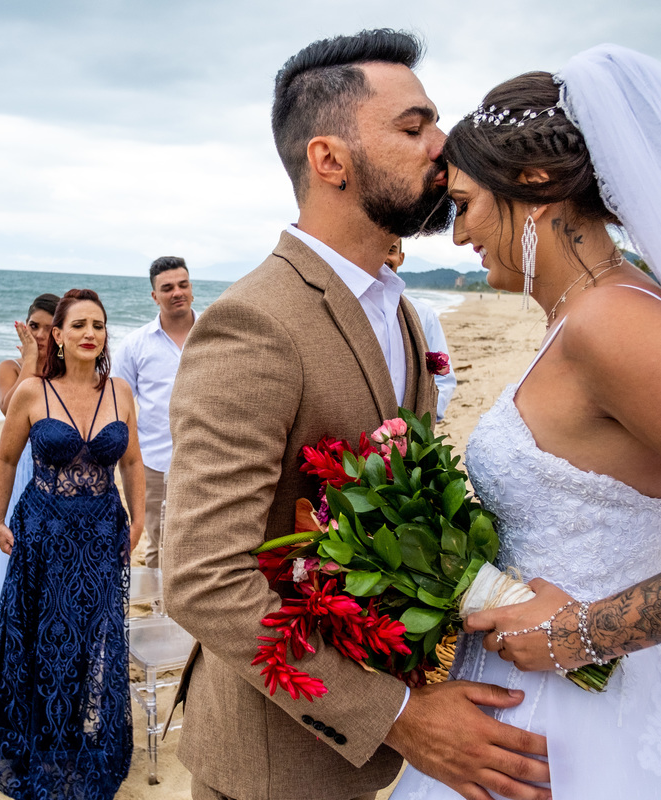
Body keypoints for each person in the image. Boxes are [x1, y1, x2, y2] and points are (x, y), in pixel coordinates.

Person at [391, 45, 661, 799]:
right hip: (545, 700)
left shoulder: (614, 326)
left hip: (584, 718)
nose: (460, 236)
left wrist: (584, 632)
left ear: (533, 185)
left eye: (465, 205)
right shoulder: (586, 318)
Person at [164, 30, 551, 800]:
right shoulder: (256, 323)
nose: (444, 148)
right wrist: (399, 716)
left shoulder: (397, 308)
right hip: (274, 760)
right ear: (329, 160)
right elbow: (204, 579)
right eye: (415, 128)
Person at [0, 288, 146, 799]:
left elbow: (132, 463)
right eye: (80, 325)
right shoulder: (32, 393)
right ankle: (40, 752)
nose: (91, 332)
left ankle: (82, 747)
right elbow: (4, 461)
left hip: (100, 537)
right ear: (60, 337)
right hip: (43, 536)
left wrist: (139, 521)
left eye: (99, 324)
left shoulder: (120, 393)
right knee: (45, 647)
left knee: (94, 641)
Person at [111, 256, 195, 568]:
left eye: (183, 285)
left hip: (206, 458)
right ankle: (161, 612)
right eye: (168, 287)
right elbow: (118, 404)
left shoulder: (213, 336)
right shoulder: (135, 345)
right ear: (154, 296)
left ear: (191, 289)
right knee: (158, 543)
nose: (177, 292)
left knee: (202, 540)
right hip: (155, 461)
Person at [0, 292, 59, 637]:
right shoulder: (10, 369)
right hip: (20, 478)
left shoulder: (65, 376)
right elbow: (9, 406)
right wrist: (30, 357)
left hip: (55, 478)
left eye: (49, 328)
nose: (40, 335)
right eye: (34, 326)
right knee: (14, 559)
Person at [384, 239, 456, 422]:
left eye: (391, 250)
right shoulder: (352, 308)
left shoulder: (422, 314)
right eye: (379, 248)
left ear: (401, 258)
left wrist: (422, 422)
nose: (385, 257)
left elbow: (443, 377)